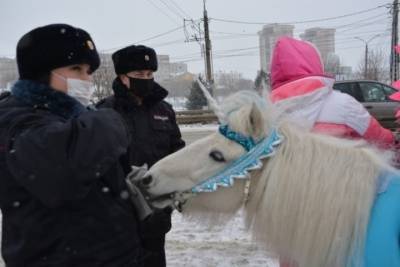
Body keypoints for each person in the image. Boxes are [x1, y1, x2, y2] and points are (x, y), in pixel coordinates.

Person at [0, 24, 145, 266]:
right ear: (40, 72)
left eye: (89, 71)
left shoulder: (71, 118)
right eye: (76, 68)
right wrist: (110, 120)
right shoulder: (17, 119)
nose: (86, 79)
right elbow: (63, 170)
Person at [96, 44, 185, 267]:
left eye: (149, 74)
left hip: (158, 209)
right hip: (119, 213)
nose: (146, 79)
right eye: (138, 74)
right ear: (123, 77)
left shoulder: (164, 110)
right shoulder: (105, 112)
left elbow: (177, 150)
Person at [269, 36, 395, 148]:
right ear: (315, 63)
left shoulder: (266, 115)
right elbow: (382, 140)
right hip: (346, 173)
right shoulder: (344, 106)